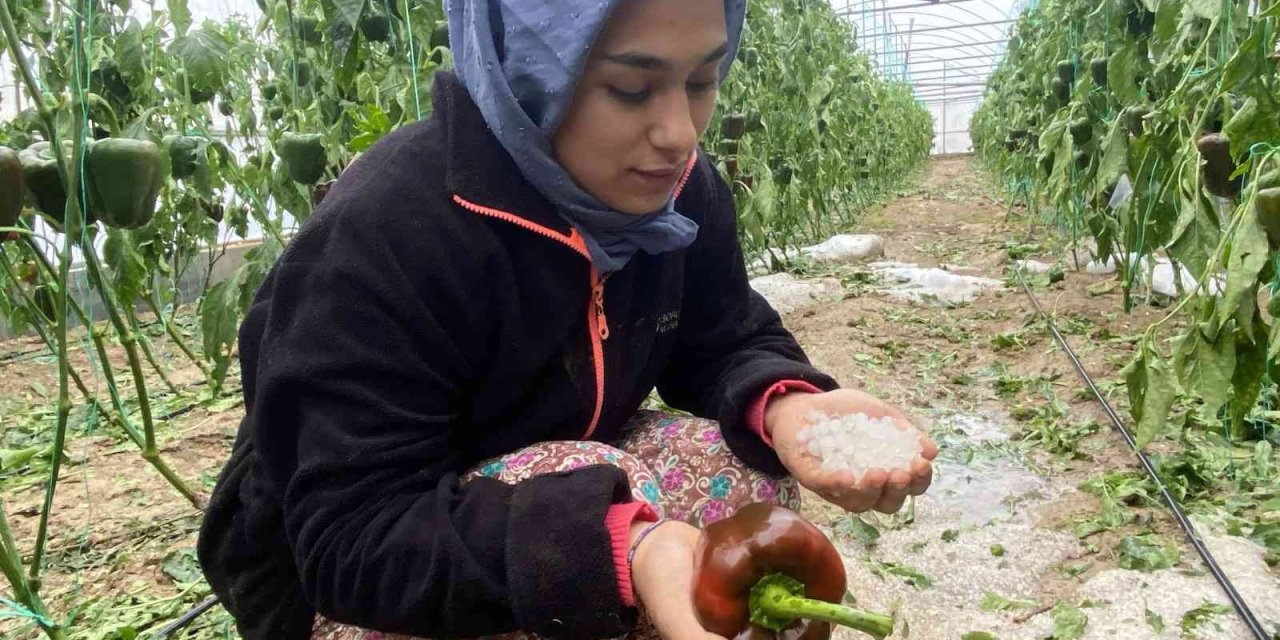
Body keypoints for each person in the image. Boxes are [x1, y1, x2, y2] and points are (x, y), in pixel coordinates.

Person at [196, 1, 938, 639]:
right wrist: (620, 546)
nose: (678, 131)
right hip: (352, 576)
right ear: (529, 70)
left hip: (531, 492)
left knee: (744, 474)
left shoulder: (677, 191)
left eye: (703, 79)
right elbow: (352, 535)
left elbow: (722, 332)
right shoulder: (389, 231)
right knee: (599, 481)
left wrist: (787, 406)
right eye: (629, 87)